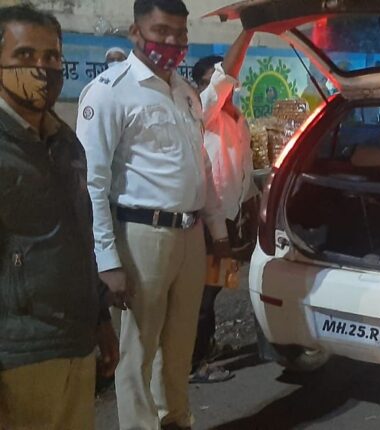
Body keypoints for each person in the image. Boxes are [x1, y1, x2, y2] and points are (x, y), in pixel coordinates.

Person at [76, 0, 231, 428]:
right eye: (161, 31)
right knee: (137, 350)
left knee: (180, 344)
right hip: (141, 236)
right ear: (135, 32)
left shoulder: (184, 92)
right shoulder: (109, 91)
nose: (173, 42)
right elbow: (92, 183)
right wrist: (107, 261)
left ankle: (175, 419)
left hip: (190, 234)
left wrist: (218, 230)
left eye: (180, 33)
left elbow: (201, 166)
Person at [0, 5, 119, 429]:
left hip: (74, 345)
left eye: (51, 57)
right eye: (25, 55)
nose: (41, 68)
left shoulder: (66, 143)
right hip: (17, 359)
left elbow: (80, 239)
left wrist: (100, 319)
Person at [189, 30, 260, 383]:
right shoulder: (204, 111)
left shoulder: (236, 117)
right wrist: (249, 29)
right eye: (212, 81)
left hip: (232, 217)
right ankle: (194, 362)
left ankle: (207, 348)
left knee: (217, 286)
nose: (223, 86)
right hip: (210, 219)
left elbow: (242, 171)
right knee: (203, 293)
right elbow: (223, 77)